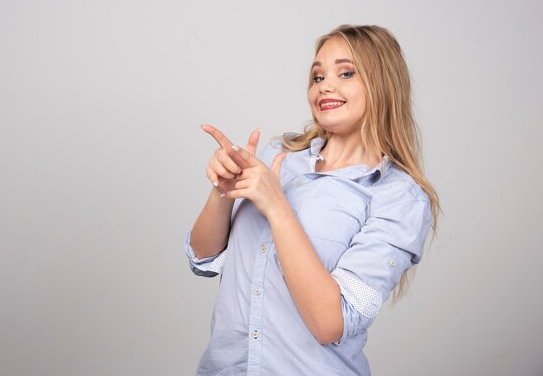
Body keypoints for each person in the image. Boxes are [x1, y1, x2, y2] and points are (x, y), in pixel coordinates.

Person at [184, 24, 440, 376]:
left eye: (346, 73)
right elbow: (203, 258)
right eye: (317, 77)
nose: (325, 86)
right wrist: (222, 190)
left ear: (382, 84)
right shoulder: (280, 156)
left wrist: (277, 208)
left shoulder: (399, 198)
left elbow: (328, 324)